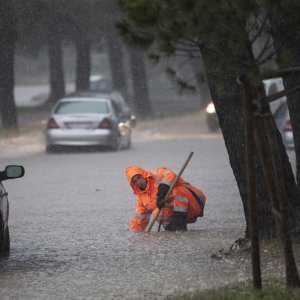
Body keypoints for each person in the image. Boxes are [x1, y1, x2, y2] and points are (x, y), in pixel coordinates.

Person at [125, 165, 206, 231]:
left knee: (177, 191)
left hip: (195, 202)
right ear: (133, 184)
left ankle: (179, 227)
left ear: (143, 175)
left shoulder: (157, 174)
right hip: (185, 215)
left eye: (139, 178)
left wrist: (163, 189)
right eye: (135, 181)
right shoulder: (141, 199)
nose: (139, 182)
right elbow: (140, 218)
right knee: (157, 212)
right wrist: (134, 233)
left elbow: (170, 174)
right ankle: (172, 230)